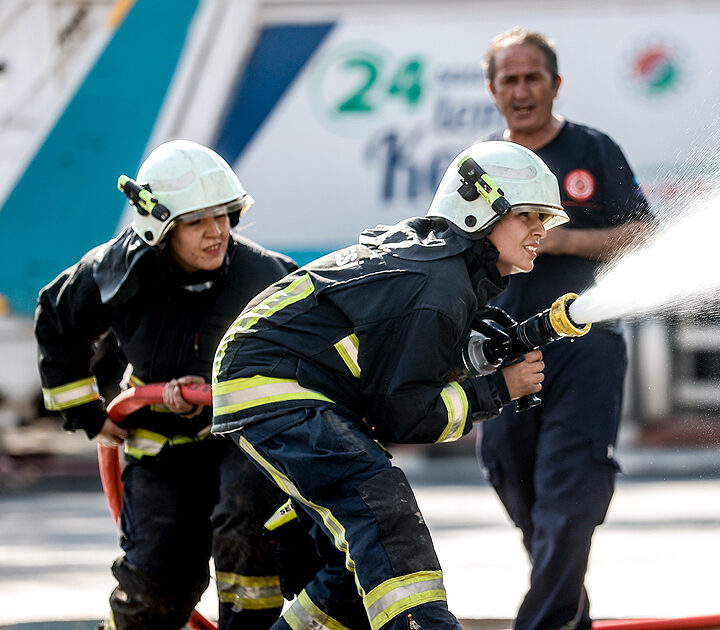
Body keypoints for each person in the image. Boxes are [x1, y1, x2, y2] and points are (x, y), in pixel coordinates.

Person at [209, 140, 569, 630]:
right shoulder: (439, 288)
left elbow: (391, 352)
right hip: (274, 385)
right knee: (381, 509)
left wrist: (470, 344)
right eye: (526, 214)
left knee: (355, 563)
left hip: (284, 380)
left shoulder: (442, 269)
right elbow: (404, 414)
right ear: (477, 209)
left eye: (545, 219)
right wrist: (499, 390)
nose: (539, 231)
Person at [35, 140, 298, 629]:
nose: (217, 232)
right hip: (161, 451)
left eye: (223, 216)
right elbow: (56, 320)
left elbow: (319, 353)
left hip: (241, 444)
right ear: (161, 227)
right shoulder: (116, 274)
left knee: (244, 531)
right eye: (198, 222)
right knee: (157, 584)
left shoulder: (265, 276)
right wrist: (89, 416)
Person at [477, 27, 655, 630]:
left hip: (585, 350)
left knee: (567, 495)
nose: (522, 91)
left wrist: (565, 240)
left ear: (555, 84)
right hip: (502, 356)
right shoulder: (480, 169)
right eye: (510, 80)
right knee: (514, 481)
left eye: (533, 78)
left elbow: (643, 233)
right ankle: (568, 615)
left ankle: (545, 623)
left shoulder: (592, 150)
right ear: (492, 89)